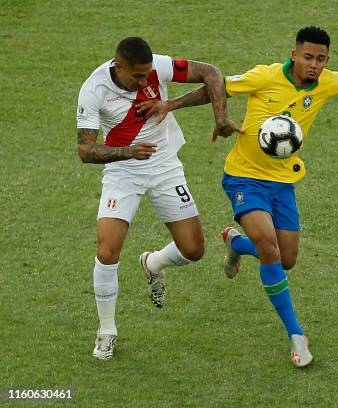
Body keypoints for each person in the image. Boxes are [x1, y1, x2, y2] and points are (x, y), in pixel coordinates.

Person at [137, 26, 338, 367]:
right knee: (270, 248)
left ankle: (237, 245)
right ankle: (296, 335)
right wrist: (172, 104)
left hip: (283, 183)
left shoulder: (327, 83)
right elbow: (217, 87)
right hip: (244, 179)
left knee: (285, 259)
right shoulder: (265, 76)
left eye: (321, 59)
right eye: (308, 57)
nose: (314, 65)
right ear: (294, 55)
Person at [76, 37, 239, 360]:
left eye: (148, 75)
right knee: (107, 250)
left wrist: (220, 118)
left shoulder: (156, 67)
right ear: (118, 66)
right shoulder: (93, 90)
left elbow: (212, 73)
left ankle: (153, 263)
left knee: (194, 250)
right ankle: (106, 330)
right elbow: (85, 150)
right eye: (137, 77)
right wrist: (127, 152)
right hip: (123, 171)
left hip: (165, 166)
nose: (145, 82)